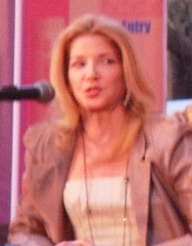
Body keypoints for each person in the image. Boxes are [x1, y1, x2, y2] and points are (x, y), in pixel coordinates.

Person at [7, 14, 192, 246]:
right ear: (66, 77)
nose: (91, 74)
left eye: (107, 62)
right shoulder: (48, 146)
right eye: (79, 64)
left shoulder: (167, 137)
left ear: (126, 72)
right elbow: (25, 231)